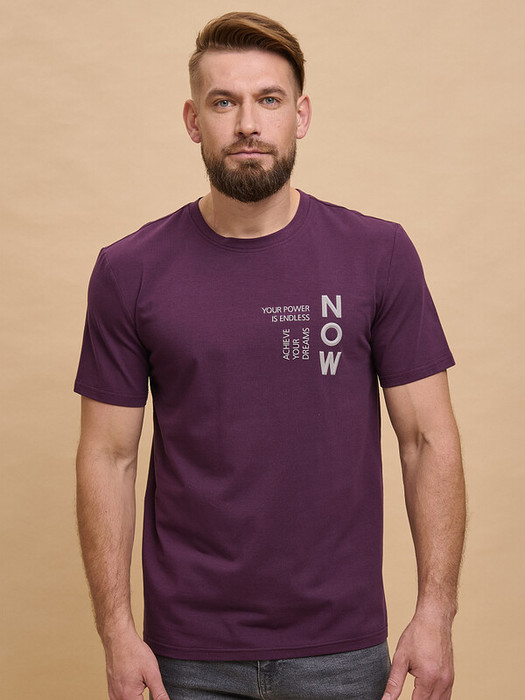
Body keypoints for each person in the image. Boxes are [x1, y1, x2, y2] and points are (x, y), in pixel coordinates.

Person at [75, 11, 466, 700]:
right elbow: (108, 456)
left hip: (342, 651)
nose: (248, 124)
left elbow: (427, 440)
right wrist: (115, 631)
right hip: (184, 657)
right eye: (224, 102)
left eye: (270, 100)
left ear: (300, 115)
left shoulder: (377, 254)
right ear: (194, 120)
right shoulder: (129, 271)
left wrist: (435, 613)